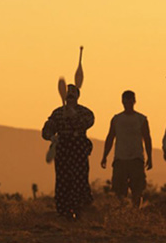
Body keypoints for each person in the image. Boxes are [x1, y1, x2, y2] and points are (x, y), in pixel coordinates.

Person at [42, 84, 95, 219]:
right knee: (63, 180)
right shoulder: (58, 113)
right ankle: (63, 210)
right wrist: (51, 136)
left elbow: (88, 122)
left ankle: (80, 209)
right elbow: (47, 129)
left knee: (80, 179)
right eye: (68, 95)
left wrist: (74, 116)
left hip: (78, 149)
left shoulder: (85, 112)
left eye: (72, 95)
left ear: (77, 96)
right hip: (63, 149)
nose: (70, 97)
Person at [101, 90, 153, 208]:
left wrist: (150, 157)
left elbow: (147, 138)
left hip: (136, 158)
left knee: (137, 189)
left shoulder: (141, 119)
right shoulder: (116, 119)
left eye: (130, 100)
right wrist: (105, 156)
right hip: (120, 158)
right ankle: (122, 209)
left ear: (134, 101)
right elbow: (110, 137)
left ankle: (135, 210)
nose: (128, 103)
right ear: (122, 102)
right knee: (119, 189)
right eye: (126, 101)